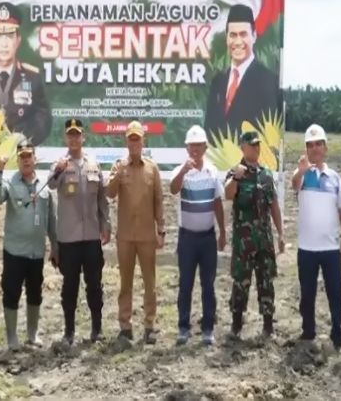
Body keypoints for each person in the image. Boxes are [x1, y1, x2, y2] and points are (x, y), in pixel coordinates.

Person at [0, 139, 57, 350]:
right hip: (14, 251)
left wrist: (55, 246)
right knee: (11, 292)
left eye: (29, 156)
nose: (26, 160)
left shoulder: (44, 187)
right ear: (17, 161)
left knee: (35, 292)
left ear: (35, 159)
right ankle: (12, 338)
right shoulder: (10, 183)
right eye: (22, 157)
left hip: (36, 252)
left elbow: (51, 221)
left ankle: (32, 335)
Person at [48, 119, 111, 344]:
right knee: (70, 287)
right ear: (66, 138)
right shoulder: (60, 164)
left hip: (92, 236)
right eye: (70, 135)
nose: (74, 139)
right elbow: (51, 185)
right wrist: (58, 171)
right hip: (69, 238)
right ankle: (69, 332)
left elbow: (102, 197)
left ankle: (97, 329)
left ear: (83, 137)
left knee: (94, 284)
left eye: (77, 135)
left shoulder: (93, 164)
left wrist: (106, 224)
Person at [106, 121, 165, 344]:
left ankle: (150, 325)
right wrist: (119, 173)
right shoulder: (119, 166)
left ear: (143, 141)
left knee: (150, 282)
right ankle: (125, 326)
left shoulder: (152, 168)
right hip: (126, 236)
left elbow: (159, 200)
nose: (134, 143)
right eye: (130, 139)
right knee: (125, 283)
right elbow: (109, 193)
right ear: (126, 142)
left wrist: (161, 229)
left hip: (147, 236)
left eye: (137, 139)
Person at [291, 125, 341, 351]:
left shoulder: (334, 177)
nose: (315, 149)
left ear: (325, 147)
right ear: (306, 149)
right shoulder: (303, 176)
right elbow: (295, 184)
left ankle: (337, 334)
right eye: (310, 145)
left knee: (335, 292)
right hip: (307, 248)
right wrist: (301, 170)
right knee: (307, 294)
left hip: (331, 247)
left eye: (318, 144)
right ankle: (308, 331)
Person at [169, 125, 226, 345]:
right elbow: (173, 190)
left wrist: (222, 231)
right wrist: (183, 171)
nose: (195, 149)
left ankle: (208, 328)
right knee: (185, 284)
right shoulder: (180, 171)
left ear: (205, 147)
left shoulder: (212, 171)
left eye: (199, 145)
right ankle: (183, 327)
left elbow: (217, 202)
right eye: (191, 145)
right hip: (187, 239)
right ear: (186, 147)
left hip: (208, 238)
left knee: (208, 285)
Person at [224, 130, 284, 338]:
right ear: (243, 147)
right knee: (241, 282)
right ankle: (236, 325)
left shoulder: (266, 173)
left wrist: (281, 233)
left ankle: (268, 325)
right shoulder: (236, 171)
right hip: (243, 241)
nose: (256, 148)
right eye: (252, 145)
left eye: (258, 145)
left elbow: (274, 205)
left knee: (266, 281)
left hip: (264, 240)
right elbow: (228, 193)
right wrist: (236, 178)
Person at [0, 1, 53, 146]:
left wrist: (25, 137)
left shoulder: (33, 78)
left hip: (22, 153)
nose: (4, 44)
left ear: (18, 40)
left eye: (9, 37)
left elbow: (43, 118)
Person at [203, 4, 280, 144]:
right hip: (218, 164)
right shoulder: (217, 82)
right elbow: (209, 132)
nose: (238, 42)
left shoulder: (268, 81)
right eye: (233, 35)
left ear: (254, 36)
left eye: (243, 35)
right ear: (227, 38)